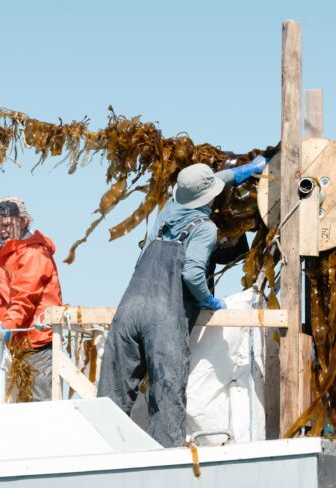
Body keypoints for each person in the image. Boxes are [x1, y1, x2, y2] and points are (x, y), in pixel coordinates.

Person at [97, 157, 266, 446]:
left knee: (113, 395)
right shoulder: (205, 228)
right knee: (166, 397)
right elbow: (191, 273)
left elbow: (212, 182)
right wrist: (209, 300)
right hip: (163, 318)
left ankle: (103, 454)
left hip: (129, 307)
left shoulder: (167, 211)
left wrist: (240, 172)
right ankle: (165, 464)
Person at [0, 196, 62, 402]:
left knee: (41, 409)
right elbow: (16, 295)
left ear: (23, 221)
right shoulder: (12, 251)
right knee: (19, 410)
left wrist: (7, 326)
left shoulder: (34, 253)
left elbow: (25, 299)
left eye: (7, 224)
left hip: (40, 345)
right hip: (20, 345)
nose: (2, 230)